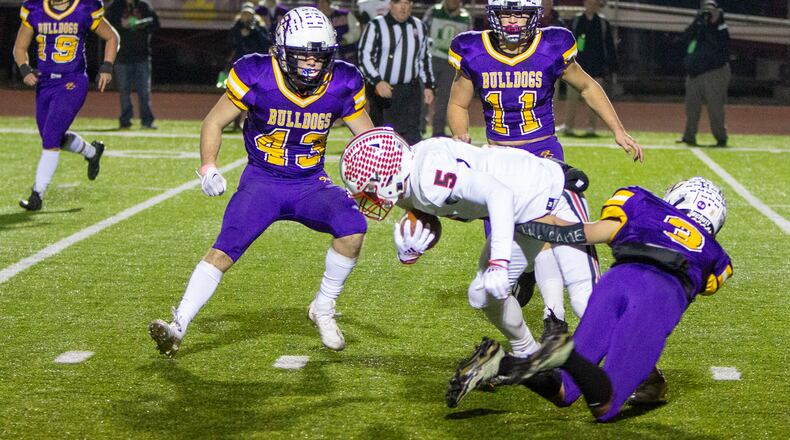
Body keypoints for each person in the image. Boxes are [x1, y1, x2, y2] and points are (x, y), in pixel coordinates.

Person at [148, 7, 375, 357]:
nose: (313, 65)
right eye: (304, 56)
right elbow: (212, 122)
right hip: (263, 181)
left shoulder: (343, 81)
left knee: (353, 228)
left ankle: (323, 307)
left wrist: (388, 179)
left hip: (310, 182)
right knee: (223, 251)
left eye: (320, 57)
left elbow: (370, 140)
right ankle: (179, 323)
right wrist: (208, 166)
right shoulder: (256, 73)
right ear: (282, 52)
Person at [447, 177, 733, 422]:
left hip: (615, 283)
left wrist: (522, 220)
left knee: (565, 391)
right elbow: (707, 285)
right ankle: (564, 354)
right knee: (605, 407)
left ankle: (502, 363)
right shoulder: (718, 258)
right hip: (656, 296)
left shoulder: (641, 203)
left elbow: (577, 232)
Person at [340, 128, 596, 401]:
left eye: (368, 189)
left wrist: (499, 263)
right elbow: (431, 215)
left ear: (387, 176)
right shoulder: (409, 177)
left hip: (551, 196)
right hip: (521, 216)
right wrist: (411, 248)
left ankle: (640, 373)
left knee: (586, 299)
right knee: (482, 294)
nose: (367, 197)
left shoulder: (429, 177)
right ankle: (528, 353)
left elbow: (499, 195)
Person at [447, 0, 642, 338]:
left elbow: (586, 86)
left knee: (547, 233)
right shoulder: (472, 50)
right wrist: (460, 134)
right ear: (493, 15)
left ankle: (555, 318)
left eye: (519, 14)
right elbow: (457, 103)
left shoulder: (552, 45)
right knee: (502, 248)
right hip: (498, 159)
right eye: (506, 13)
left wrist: (617, 128)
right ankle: (530, 313)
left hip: (542, 153)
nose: (511, 22)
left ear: (533, 16)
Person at [14, 0, 119, 211]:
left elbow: (111, 37)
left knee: (51, 137)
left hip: (72, 81)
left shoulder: (84, 7)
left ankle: (37, 194)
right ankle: (91, 152)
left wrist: (107, 66)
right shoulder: (35, 8)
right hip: (45, 83)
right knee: (51, 136)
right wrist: (25, 69)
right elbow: (20, 47)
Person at [358, 0, 435, 145]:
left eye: (407, 3)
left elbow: (424, 57)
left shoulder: (419, 26)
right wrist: (377, 81)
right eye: (399, 3)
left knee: (412, 136)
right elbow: (364, 56)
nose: (403, 7)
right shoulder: (376, 26)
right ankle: (379, 167)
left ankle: (412, 167)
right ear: (391, 5)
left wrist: (428, 85)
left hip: (409, 91)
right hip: (383, 91)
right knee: (382, 136)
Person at [561, 0, 618, 137]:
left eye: (594, 3)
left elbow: (609, 46)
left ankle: (591, 127)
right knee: (572, 99)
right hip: (577, 68)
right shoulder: (577, 20)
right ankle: (568, 125)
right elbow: (570, 43)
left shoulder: (603, 23)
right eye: (589, 3)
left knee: (595, 100)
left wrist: (612, 67)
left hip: (596, 67)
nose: (591, 5)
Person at [678, 0, 730, 147]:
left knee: (715, 107)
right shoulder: (699, 25)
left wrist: (712, 23)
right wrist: (697, 21)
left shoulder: (721, 27)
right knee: (691, 107)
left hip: (714, 72)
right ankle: (689, 135)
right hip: (695, 72)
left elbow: (718, 45)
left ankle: (721, 137)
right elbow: (685, 37)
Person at [105, 0, 159, 130]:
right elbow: (105, 25)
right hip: (122, 56)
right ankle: (125, 120)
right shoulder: (115, 6)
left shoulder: (144, 6)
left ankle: (147, 121)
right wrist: (120, 24)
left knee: (144, 91)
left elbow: (155, 23)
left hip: (142, 56)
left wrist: (141, 24)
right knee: (124, 91)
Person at [422, 0, 472, 137]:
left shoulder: (465, 16)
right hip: (432, 58)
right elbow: (423, 31)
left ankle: (438, 131)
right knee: (424, 93)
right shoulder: (434, 11)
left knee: (445, 97)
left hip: (451, 63)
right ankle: (419, 126)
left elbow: (468, 41)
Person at [226, 2, 272, 131]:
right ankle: (235, 121)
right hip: (240, 65)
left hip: (256, 67)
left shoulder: (259, 26)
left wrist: (254, 31)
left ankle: (249, 121)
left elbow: (265, 43)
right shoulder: (236, 27)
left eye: (249, 14)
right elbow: (230, 44)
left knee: (254, 95)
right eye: (244, 14)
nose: (246, 16)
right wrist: (241, 34)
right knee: (236, 93)